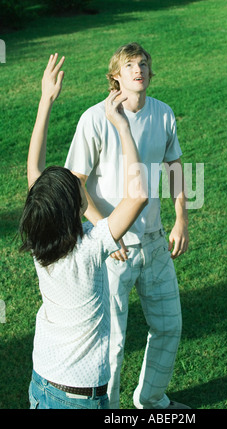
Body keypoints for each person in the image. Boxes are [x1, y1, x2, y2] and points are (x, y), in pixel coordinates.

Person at [19, 53, 148, 410]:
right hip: (79, 399)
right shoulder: (89, 249)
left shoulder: (39, 240)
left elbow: (35, 171)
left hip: (41, 385)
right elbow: (137, 195)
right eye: (78, 190)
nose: (82, 186)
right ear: (74, 209)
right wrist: (121, 125)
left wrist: (46, 100)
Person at [65, 42, 190, 409]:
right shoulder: (93, 118)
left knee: (169, 327)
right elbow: (75, 184)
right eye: (130, 65)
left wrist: (181, 218)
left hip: (154, 243)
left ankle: (150, 400)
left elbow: (177, 170)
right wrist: (106, 231)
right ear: (115, 77)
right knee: (114, 343)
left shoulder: (163, 114)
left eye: (144, 63)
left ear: (150, 74)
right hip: (112, 249)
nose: (139, 69)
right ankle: (109, 410)